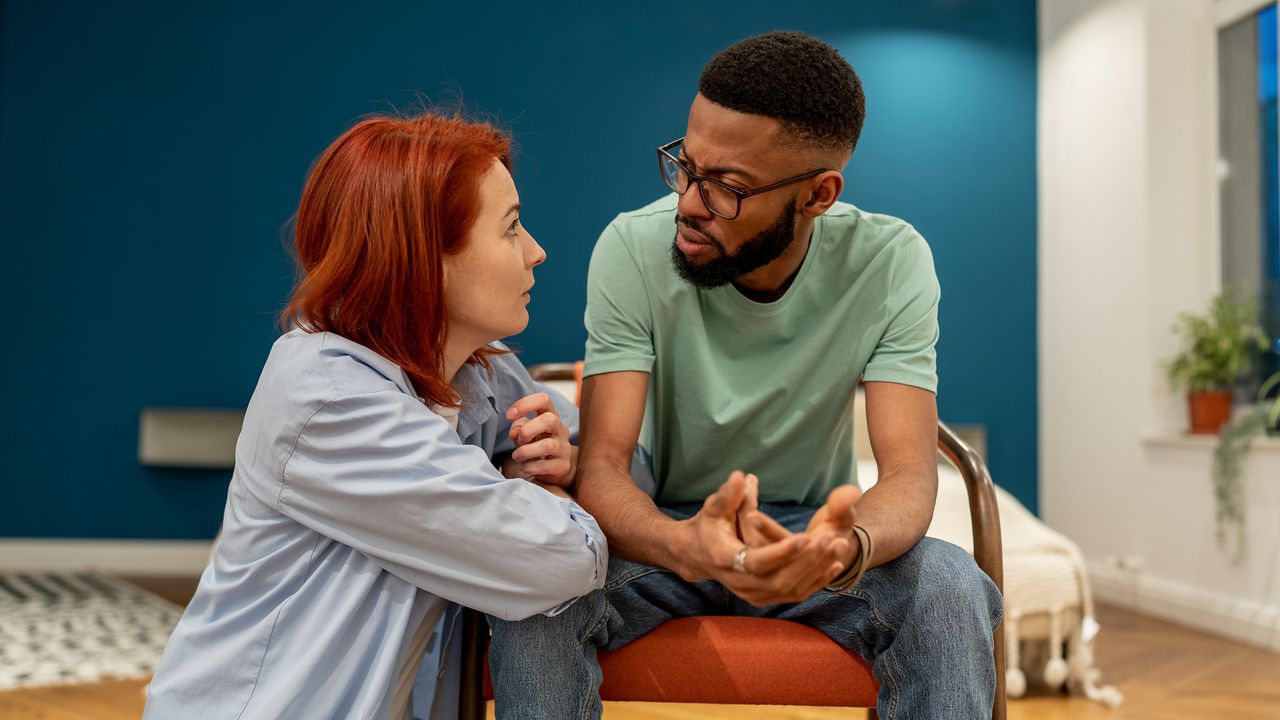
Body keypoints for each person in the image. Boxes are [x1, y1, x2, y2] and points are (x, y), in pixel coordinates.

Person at [488, 31, 1003, 719]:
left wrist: (840, 549)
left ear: (819, 194)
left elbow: (910, 474)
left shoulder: (890, 262)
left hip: (811, 541)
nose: (690, 204)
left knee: (948, 583)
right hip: (661, 530)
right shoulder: (632, 248)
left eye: (728, 187)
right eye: (685, 166)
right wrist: (683, 543)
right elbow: (604, 465)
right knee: (536, 582)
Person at [143, 111, 607, 720]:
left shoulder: (473, 369)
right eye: (512, 228)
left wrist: (569, 462)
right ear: (422, 256)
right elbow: (563, 560)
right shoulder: (329, 398)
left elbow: (625, 464)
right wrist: (534, 491)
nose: (537, 252)